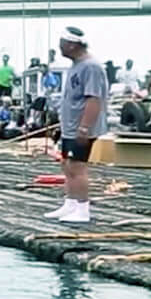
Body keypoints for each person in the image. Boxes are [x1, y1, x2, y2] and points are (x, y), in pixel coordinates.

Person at [44, 26, 108, 224]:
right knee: (66, 164)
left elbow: (94, 99)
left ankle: (82, 209)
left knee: (77, 166)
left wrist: (84, 128)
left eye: (62, 44)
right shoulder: (76, 65)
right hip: (69, 126)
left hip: (81, 127)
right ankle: (70, 203)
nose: (59, 47)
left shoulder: (91, 67)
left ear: (72, 45)